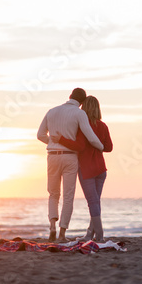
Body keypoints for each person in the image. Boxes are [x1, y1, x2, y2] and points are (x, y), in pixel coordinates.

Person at [37, 88, 104, 242]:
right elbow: (90, 136)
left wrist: (53, 143)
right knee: (68, 196)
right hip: (70, 157)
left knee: (53, 194)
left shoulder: (51, 111)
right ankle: (62, 234)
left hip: (52, 156)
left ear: (69, 96)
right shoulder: (80, 113)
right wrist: (101, 147)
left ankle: (52, 227)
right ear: (82, 103)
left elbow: (40, 135)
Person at [51, 96, 113, 243]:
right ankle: (89, 234)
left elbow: (79, 146)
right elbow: (109, 147)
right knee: (96, 202)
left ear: (83, 109)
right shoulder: (103, 126)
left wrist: (61, 139)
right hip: (101, 169)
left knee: (92, 202)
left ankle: (99, 235)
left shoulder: (82, 126)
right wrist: (98, 146)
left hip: (86, 169)